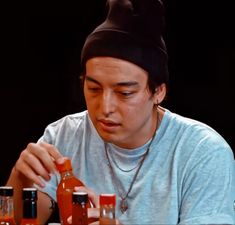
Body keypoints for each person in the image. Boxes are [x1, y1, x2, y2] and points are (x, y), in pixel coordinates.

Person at [6, 0, 235, 224]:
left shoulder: (203, 151)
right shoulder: (63, 136)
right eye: (94, 88)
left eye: (124, 93)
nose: (105, 108)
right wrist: (20, 177)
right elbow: (23, 220)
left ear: (158, 92)